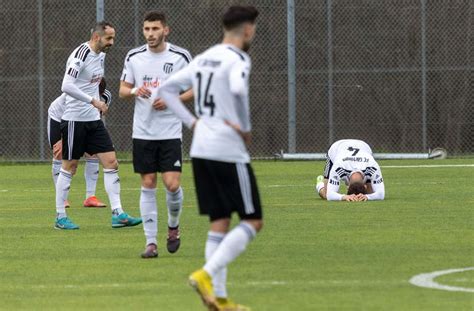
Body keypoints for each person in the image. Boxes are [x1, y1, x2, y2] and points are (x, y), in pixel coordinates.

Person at [159, 5, 261, 310]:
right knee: (253, 221)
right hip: (228, 150)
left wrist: (193, 123)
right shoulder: (238, 58)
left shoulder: (204, 58)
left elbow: (166, 90)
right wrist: (245, 128)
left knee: (219, 222)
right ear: (246, 30)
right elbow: (238, 90)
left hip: (201, 148)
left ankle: (220, 298)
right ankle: (205, 274)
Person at [119, 11, 193, 258]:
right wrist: (134, 92)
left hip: (170, 132)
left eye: (155, 29)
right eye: (147, 29)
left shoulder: (180, 56)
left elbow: (196, 87)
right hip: (143, 132)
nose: (150, 34)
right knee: (148, 182)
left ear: (166, 30)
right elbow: (122, 90)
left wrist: (173, 100)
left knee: (172, 185)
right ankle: (151, 243)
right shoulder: (134, 57)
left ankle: (173, 226)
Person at [54, 21, 141, 230]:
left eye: (113, 38)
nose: (112, 42)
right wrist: (93, 101)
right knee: (70, 167)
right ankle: (60, 217)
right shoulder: (80, 55)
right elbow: (66, 85)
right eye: (108, 38)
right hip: (75, 119)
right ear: (96, 37)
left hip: (93, 121)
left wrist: (99, 104)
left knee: (111, 162)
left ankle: (118, 213)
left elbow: (92, 84)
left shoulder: (101, 55)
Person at [47, 78, 111, 208]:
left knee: (92, 153)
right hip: (59, 117)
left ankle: (90, 197)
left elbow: (96, 118)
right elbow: (70, 120)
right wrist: (64, 142)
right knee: (59, 153)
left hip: (85, 121)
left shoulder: (105, 96)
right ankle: (62, 199)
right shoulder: (75, 95)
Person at [315, 139, 385, 201]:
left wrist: (367, 196)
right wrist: (344, 197)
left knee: (371, 193)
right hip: (337, 147)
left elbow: (381, 194)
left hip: (363, 146)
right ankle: (320, 183)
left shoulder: (372, 166)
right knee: (325, 194)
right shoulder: (339, 167)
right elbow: (329, 195)